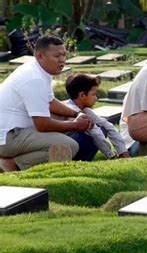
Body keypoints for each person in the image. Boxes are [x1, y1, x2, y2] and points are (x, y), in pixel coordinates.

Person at [0, 35, 92, 171]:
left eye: (64, 55)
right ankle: (13, 164)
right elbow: (42, 125)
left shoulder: (38, 70)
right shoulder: (34, 78)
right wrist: (75, 125)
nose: (62, 60)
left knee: (64, 122)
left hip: (18, 131)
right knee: (67, 145)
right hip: (8, 137)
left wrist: (76, 113)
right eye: (57, 56)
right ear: (40, 56)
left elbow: (50, 102)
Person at [64, 74, 130, 159]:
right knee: (94, 132)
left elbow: (108, 126)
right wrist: (111, 156)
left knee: (103, 127)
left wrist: (123, 152)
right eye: (93, 94)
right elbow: (95, 132)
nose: (96, 98)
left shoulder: (85, 110)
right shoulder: (69, 108)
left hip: (70, 144)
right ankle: (81, 160)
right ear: (82, 95)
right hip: (62, 147)